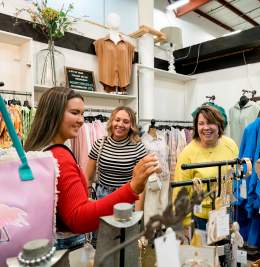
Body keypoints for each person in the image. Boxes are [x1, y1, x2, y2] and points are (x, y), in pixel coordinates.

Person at [24, 87, 159, 250]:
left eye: (82, 113)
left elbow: (59, 203)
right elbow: (78, 218)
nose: (81, 120)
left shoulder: (40, 150)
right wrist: (132, 188)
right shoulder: (61, 156)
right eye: (75, 112)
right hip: (66, 243)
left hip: (52, 239)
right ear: (54, 114)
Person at [173, 105, 238, 232]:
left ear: (219, 125)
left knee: (225, 249)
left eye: (210, 123)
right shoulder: (188, 153)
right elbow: (180, 191)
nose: (206, 127)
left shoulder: (230, 145)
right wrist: (183, 223)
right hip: (200, 217)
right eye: (201, 123)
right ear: (196, 127)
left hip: (226, 211)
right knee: (204, 251)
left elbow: (235, 176)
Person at [85, 106, 147, 209]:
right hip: (102, 197)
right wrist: (86, 201)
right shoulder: (99, 144)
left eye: (126, 121)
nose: (120, 124)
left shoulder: (138, 147)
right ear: (111, 122)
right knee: (102, 225)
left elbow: (140, 184)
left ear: (131, 125)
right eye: (117, 120)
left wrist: (138, 211)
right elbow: (88, 176)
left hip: (126, 198)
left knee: (124, 225)